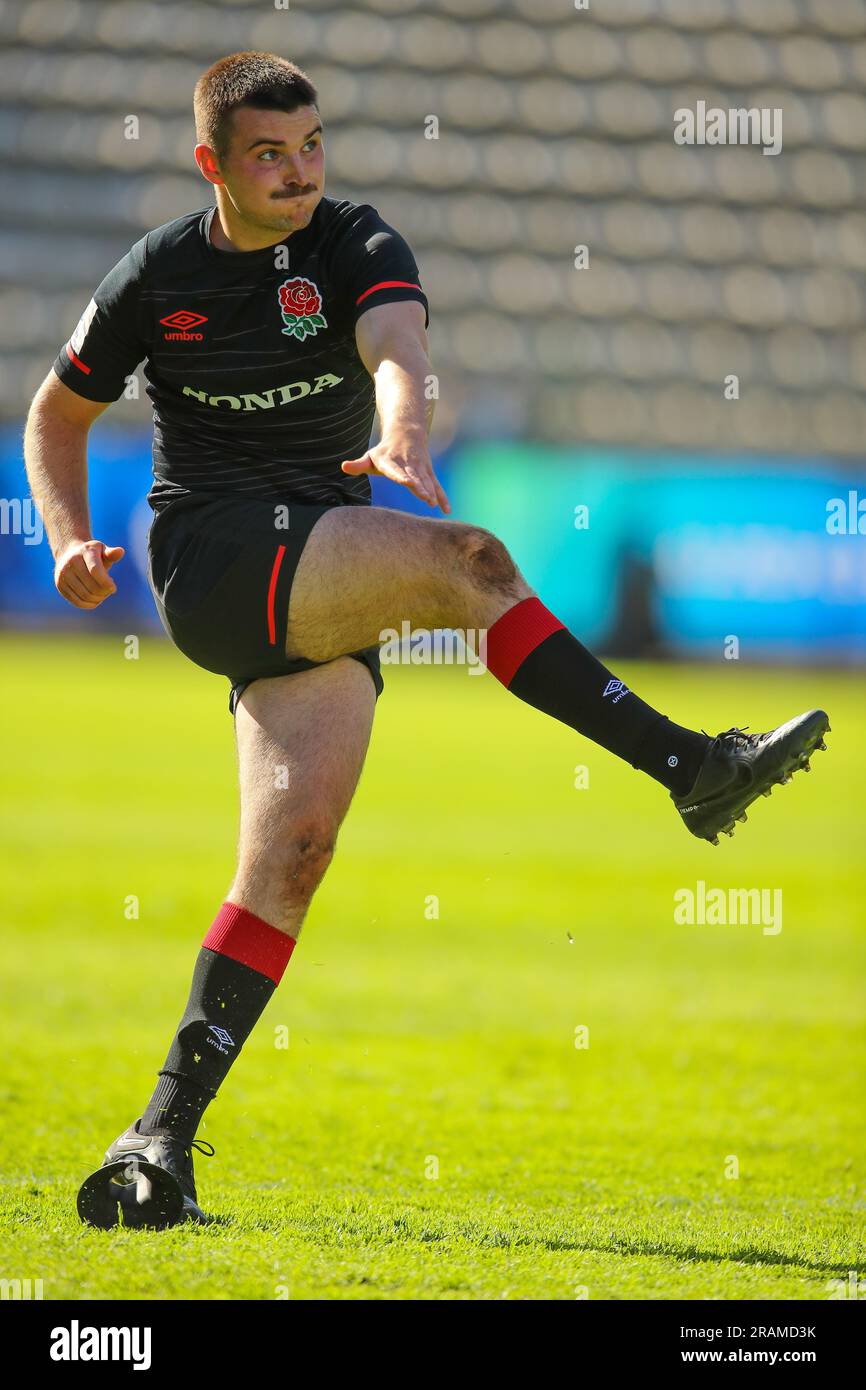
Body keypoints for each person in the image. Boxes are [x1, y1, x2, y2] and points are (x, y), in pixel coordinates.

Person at [24, 52, 829, 1229]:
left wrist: (402, 427)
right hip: (212, 552)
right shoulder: (155, 274)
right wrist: (63, 540)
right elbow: (58, 412)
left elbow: (397, 349)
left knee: (292, 857)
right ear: (213, 165)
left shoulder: (354, 240)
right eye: (267, 155)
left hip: (318, 567)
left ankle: (158, 1140)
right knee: (470, 566)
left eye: (309, 148)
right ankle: (687, 767)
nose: (298, 173)